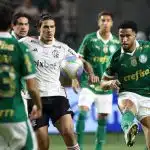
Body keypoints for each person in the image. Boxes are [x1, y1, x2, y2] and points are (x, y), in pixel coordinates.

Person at [21, 14, 95, 150]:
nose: (49, 30)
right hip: (34, 98)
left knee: (68, 132)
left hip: (57, 96)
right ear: (39, 29)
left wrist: (90, 74)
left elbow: (83, 62)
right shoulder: (27, 43)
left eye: (52, 27)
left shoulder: (62, 48)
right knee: (43, 143)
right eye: (46, 27)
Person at [100, 20, 150, 150]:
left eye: (128, 35)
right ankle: (128, 128)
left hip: (147, 97)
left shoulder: (147, 48)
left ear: (135, 35)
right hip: (127, 93)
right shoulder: (116, 58)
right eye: (121, 36)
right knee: (128, 105)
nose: (124, 39)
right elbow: (102, 83)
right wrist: (109, 82)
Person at [75, 11, 120, 150]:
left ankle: (98, 149)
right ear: (98, 22)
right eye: (103, 20)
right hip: (88, 84)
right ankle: (78, 147)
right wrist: (74, 78)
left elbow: (119, 65)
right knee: (83, 112)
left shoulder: (116, 43)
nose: (105, 23)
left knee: (103, 118)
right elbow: (79, 58)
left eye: (108, 20)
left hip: (105, 86)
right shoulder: (90, 39)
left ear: (112, 23)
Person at [0, 5, 42, 150]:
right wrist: (38, 105)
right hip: (14, 112)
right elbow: (32, 86)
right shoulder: (20, 48)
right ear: (11, 25)